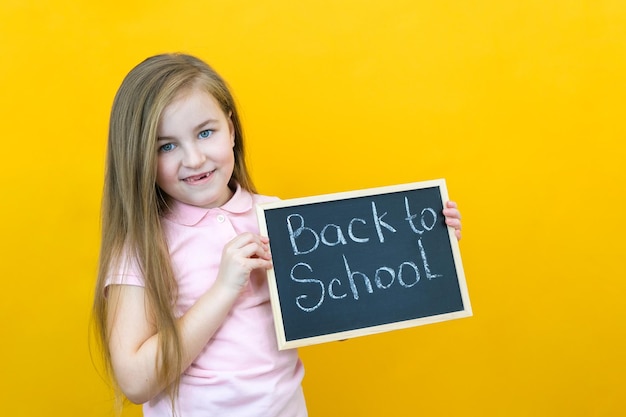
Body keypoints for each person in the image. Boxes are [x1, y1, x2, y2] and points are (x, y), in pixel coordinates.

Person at [92, 53, 463, 417]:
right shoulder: (142, 246)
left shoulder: (280, 220)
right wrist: (224, 289)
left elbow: (335, 321)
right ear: (139, 157)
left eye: (206, 133)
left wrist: (425, 244)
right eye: (166, 146)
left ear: (231, 129)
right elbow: (135, 381)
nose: (194, 159)